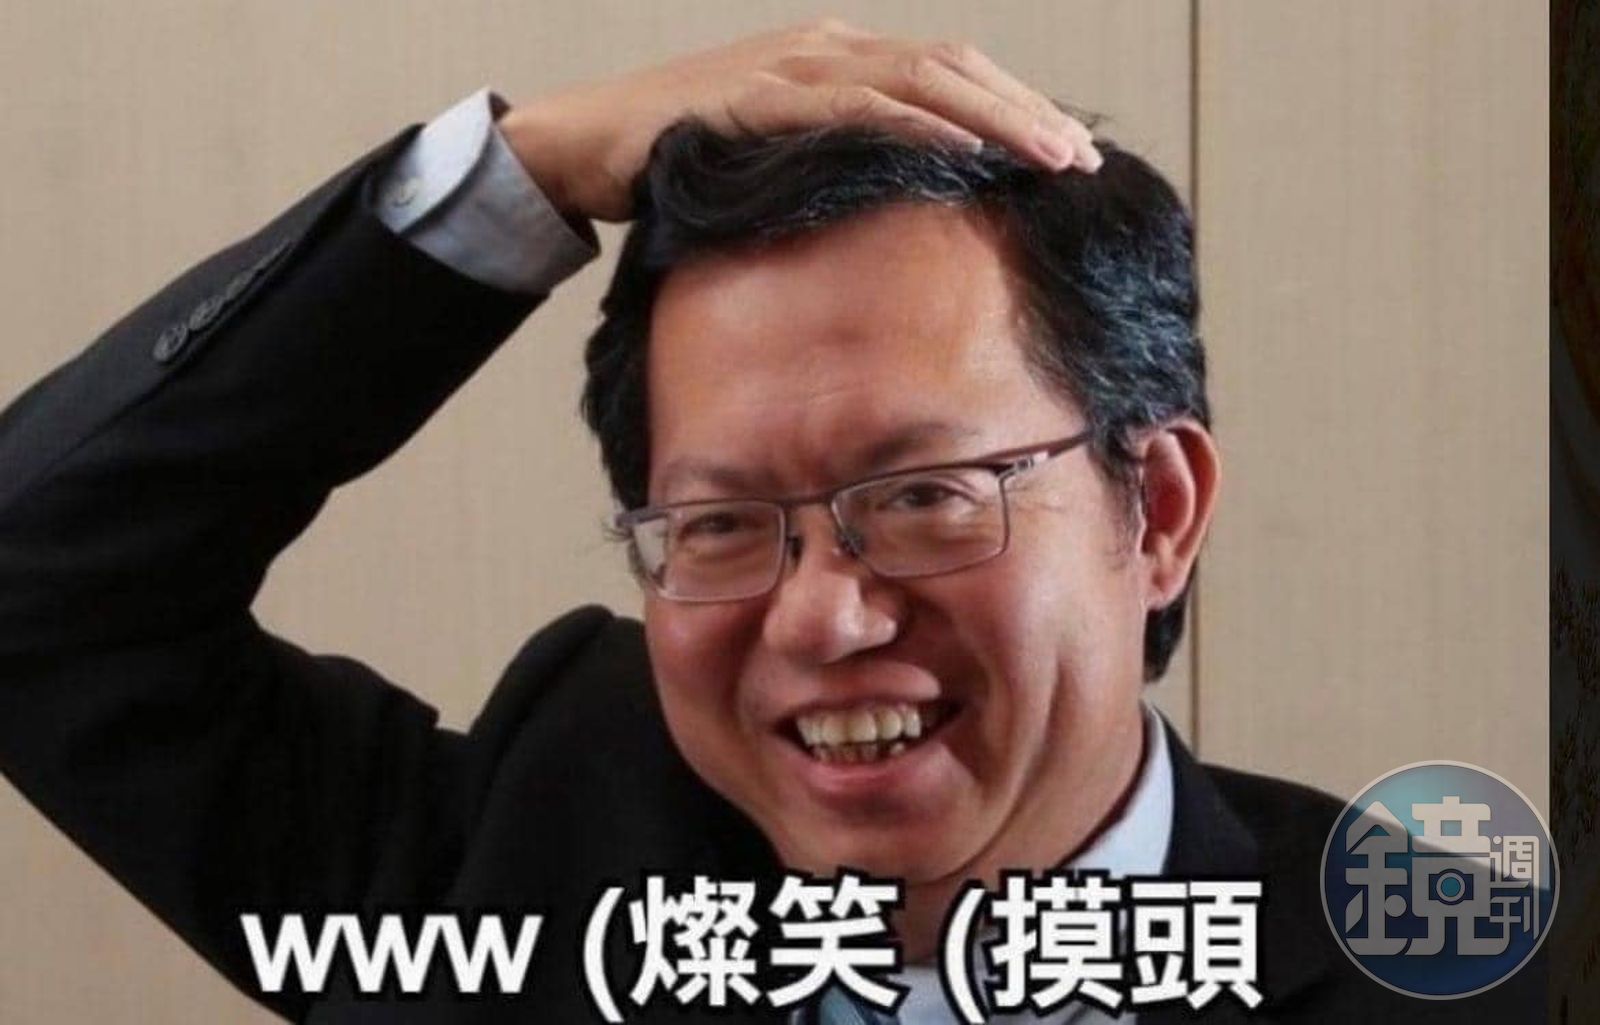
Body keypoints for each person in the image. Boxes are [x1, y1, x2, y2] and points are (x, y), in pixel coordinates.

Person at [0, 20, 1538, 1025]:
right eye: (723, 523)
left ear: (1161, 510)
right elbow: (38, 590)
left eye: (922, 498)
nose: (822, 616)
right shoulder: (549, 849)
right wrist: (523, 175)